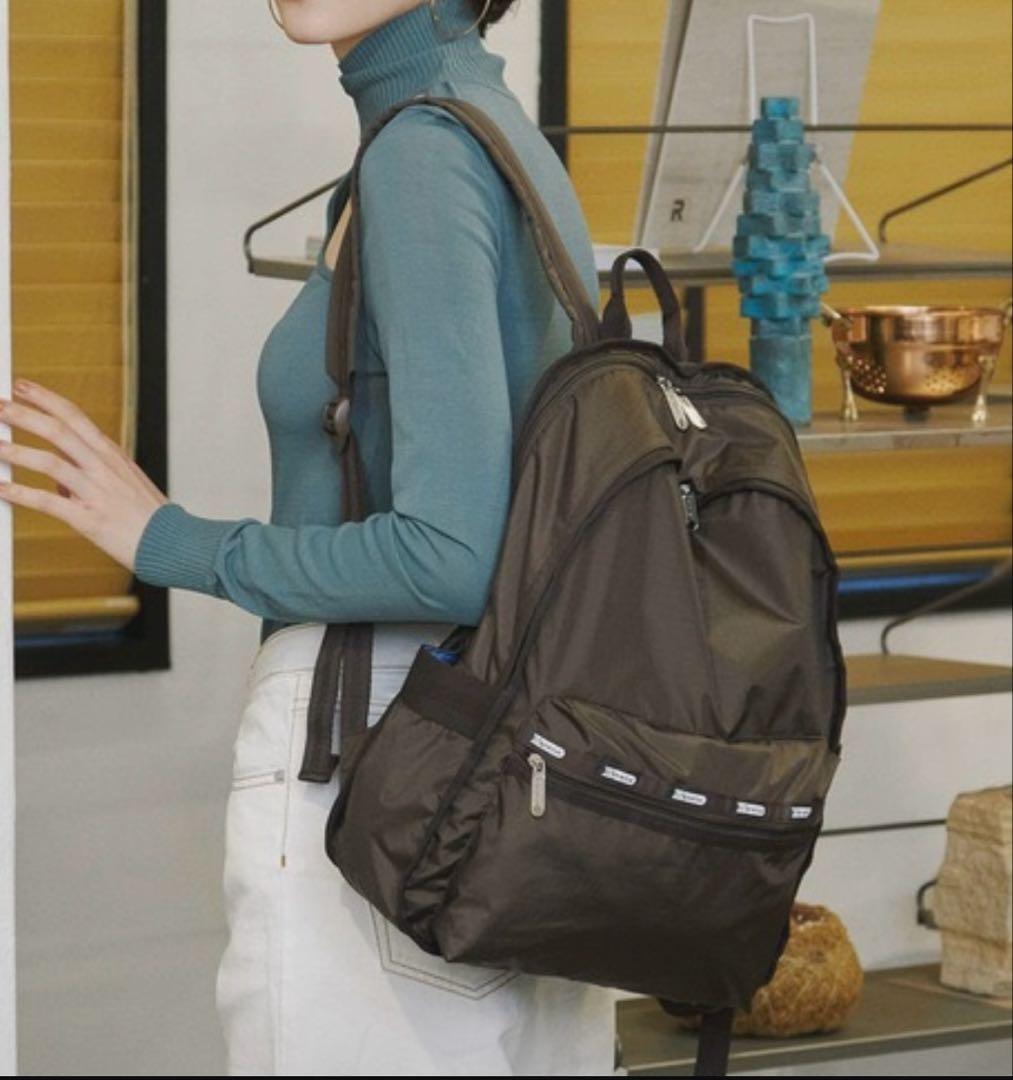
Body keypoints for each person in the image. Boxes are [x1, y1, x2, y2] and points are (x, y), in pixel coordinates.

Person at [0, 0, 620, 1073]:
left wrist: (170, 540)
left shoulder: (423, 155)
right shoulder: (482, 126)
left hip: (379, 752)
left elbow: (449, 554)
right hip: (505, 753)